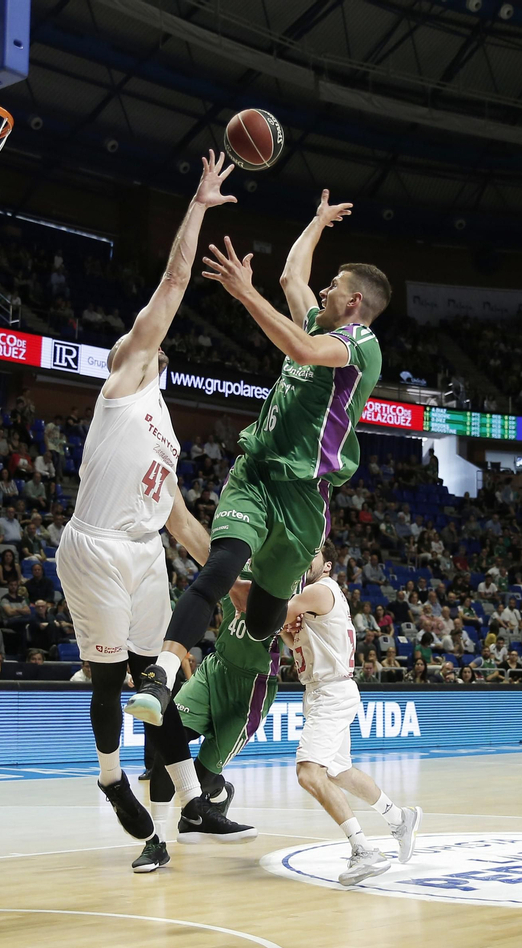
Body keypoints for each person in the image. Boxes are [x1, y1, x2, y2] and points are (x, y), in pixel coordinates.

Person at [128, 189, 390, 739]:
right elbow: (294, 278)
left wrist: (244, 293)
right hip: (257, 472)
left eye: (335, 286)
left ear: (355, 303)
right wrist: (317, 222)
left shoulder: (360, 346)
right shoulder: (320, 321)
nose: (323, 289)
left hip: (301, 499)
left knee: (264, 618)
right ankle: (161, 677)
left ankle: (245, 664)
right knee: (221, 567)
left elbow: (302, 350)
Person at [52, 151, 240, 846]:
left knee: (156, 682)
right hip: (95, 546)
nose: (138, 341)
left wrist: (236, 583)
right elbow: (175, 278)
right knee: (109, 683)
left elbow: (184, 522)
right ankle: (109, 775)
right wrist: (196, 204)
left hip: (144, 551)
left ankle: (191, 800)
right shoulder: (126, 378)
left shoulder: (166, 428)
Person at [281, 544, 420, 886]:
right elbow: (293, 635)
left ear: (326, 565)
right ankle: (398, 818)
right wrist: (289, 635)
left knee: (309, 773)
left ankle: (363, 850)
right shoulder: (315, 598)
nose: (304, 556)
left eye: (312, 552)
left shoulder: (320, 589)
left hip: (330, 690)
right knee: (340, 771)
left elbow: (271, 613)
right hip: (323, 689)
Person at [132, 566, 277, 872]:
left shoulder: (290, 582)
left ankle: (218, 790)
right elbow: (210, 565)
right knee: (166, 747)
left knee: (200, 776)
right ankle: (155, 842)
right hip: (214, 670)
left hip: (251, 686)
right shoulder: (240, 565)